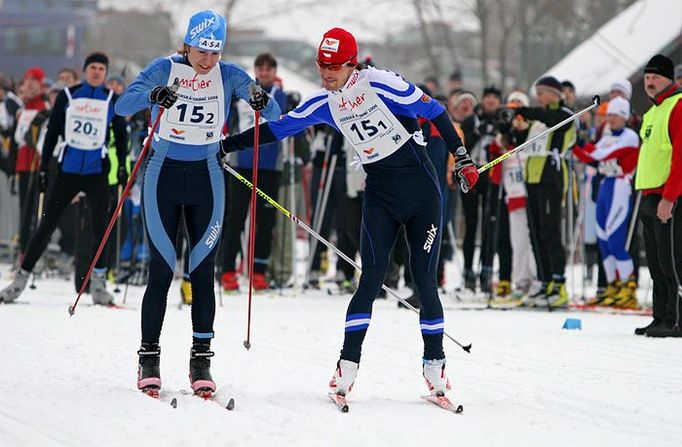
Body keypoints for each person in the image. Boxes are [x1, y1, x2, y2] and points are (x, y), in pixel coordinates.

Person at [220, 27, 479, 398]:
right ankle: (346, 368)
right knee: (370, 279)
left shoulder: (382, 83)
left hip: (423, 196)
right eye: (322, 65)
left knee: (424, 280)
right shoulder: (323, 102)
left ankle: (435, 368)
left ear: (352, 64)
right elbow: (278, 129)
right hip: (380, 197)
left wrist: (462, 156)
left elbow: (435, 110)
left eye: (335, 66)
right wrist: (226, 145)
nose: (327, 73)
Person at [114, 10, 281, 397]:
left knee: (202, 272)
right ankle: (149, 357)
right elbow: (123, 105)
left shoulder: (229, 75)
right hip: (162, 175)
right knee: (161, 270)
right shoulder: (165, 68)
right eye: (201, 51)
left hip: (207, 176)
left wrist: (260, 97)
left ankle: (201, 360)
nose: (207, 60)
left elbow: (271, 113)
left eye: (214, 52)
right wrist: (152, 95)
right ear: (186, 44)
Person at [0, 53, 128, 305]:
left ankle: (99, 284)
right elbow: (54, 132)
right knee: (46, 224)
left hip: (96, 173)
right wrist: (46, 167)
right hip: (67, 171)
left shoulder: (112, 100)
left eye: (101, 69)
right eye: (92, 67)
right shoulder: (69, 96)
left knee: (100, 228)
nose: (96, 72)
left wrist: (122, 166)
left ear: (105, 73)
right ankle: (20, 279)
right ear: (84, 71)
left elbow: (121, 136)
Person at [221, 53, 288, 292]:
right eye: (260, 68)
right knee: (235, 219)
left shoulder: (282, 95)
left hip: (270, 166)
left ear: (275, 72)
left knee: (265, 221)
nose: (264, 72)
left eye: (269, 69)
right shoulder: (243, 94)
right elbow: (227, 122)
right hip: (242, 164)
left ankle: (258, 271)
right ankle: (227, 270)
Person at [514, 76, 577, 307]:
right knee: (536, 231)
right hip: (532, 176)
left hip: (551, 176)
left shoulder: (565, 114)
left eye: (542, 93)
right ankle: (545, 279)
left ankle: (559, 285)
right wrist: (516, 128)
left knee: (551, 231)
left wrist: (528, 111)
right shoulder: (537, 118)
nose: (539, 97)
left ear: (555, 94)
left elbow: (555, 119)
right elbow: (522, 141)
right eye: (537, 93)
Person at [573, 97, 640, 309]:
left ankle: (628, 288)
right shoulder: (608, 135)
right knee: (602, 238)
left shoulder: (629, 136)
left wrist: (582, 148)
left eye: (615, 115)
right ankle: (613, 285)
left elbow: (603, 154)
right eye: (608, 115)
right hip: (606, 185)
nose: (610, 119)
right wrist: (574, 145)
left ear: (624, 116)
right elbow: (591, 155)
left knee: (615, 239)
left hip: (621, 185)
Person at [633, 54, 682, 337]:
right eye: (647, 78)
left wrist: (670, 197)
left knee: (672, 261)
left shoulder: (677, 106)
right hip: (649, 194)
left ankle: (676, 319)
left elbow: (679, 157)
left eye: (656, 78)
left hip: (668, 196)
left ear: (669, 79)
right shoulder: (651, 112)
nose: (650, 83)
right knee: (655, 262)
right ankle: (661, 316)